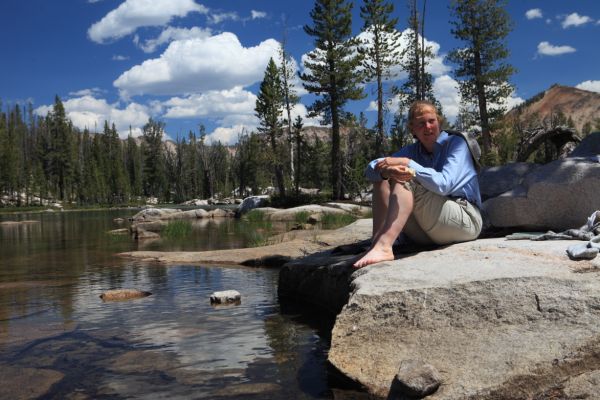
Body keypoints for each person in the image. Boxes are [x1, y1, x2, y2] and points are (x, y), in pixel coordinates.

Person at [353, 100, 482, 269]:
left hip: (465, 220)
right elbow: (372, 169)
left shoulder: (457, 144)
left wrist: (407, 163)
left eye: (431, 121)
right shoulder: (413, 150)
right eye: (421, 123)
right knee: (383, 179)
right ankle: (377, 244)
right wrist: (386, 172)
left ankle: (384, 246)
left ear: (439, 122)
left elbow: (444, 185)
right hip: (430, 231)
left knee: (405, 175)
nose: (427, 127)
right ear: (412, 128)